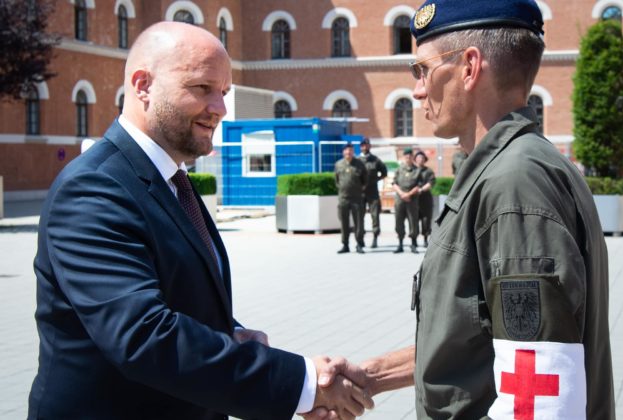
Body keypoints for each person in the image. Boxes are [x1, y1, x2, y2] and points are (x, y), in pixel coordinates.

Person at [28, 22, 374, 420]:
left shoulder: (170, 179)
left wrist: (229, 334)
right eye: (202, 88)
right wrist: (302, 384)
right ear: (143, 85)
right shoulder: (94, 188)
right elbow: (144, 336)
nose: (220, 109)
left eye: (223, 92)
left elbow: (173, 295)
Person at [311, 0, 615, 418]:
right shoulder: (516, 166)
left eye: (422, 69)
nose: (417, 89)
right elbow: (480, 338)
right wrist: (373, 375)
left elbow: (539, 399)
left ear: (470, 67)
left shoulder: (515, 183)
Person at [335, 143, 368, 254]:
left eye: (350, 151)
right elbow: (337, 181)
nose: (348, 153)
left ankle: (359, 244)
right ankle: (345, 244)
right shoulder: (338, 164)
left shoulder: (359, 164)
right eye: (346, 151)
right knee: (344, 222)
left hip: (356, 198)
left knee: (358, 222)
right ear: (343, 152)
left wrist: (358, 190)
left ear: (353, 152)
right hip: (343, 198)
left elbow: (365, 180)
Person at [357, 137, 388, 248]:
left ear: (369, 146)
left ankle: (375, 237)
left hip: (372, 192)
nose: (364, 147)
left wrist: (375, 180)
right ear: (360, 147)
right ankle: (360, 239)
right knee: (359, 216)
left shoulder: (375, 160)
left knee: (375, 215)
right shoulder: (357, 160)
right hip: (360, 193)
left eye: (366, 145)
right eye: (362, 145)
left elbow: (384, 172)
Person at [392, 148, 422, 254]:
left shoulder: (417, 170)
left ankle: (413, 244)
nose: (408, 157)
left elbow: (419, 185)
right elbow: (394, 183)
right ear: (404, 157)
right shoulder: (399, 169)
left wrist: (408, 194)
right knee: (398, 221)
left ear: (412, 157)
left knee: (413, 221)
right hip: (400, 199)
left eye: (410, 156)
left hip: (412, 200)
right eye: (406, 156)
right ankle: (400, 243)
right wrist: (401, 194)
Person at [413, 151, 436, 247]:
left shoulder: (428, 171)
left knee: (426, 220)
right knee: (413, 220)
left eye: (422, 158)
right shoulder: (412, 170)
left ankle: (426, 239)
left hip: (425, 199)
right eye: (418, 158)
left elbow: (431, 183)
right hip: (413, 200)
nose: (420, 160)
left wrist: (421, 190)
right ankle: (413, 240)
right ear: (415, 159)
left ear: (425, 160)